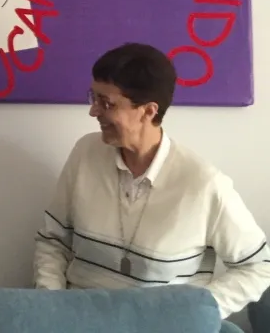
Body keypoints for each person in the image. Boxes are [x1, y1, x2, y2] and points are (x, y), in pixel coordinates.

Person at [33, 43, 270, 323]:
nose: (94, 111)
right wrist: (52, 308)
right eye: (93, 97)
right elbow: (53, 240)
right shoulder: (85, 153)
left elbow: (258, 267)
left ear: (148, 111)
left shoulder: (204, 185)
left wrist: (195, 313)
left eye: (107, 103)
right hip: (78, 320)